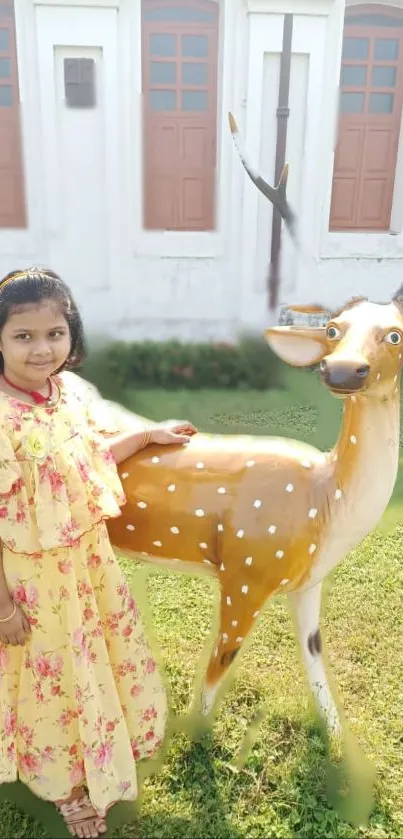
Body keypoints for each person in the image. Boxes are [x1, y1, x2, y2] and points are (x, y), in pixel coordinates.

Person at [0, 268, 197, 838]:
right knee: (50, 676)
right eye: (23, 336)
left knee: (94, 660)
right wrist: (4, 607)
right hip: (30, 581)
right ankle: (66, 787)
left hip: (86, 566)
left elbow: (81, 457)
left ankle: (100, 752)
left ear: (72, 333)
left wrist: (145, 436)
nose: (43, 349)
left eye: (55, 333)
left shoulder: (68, 395)